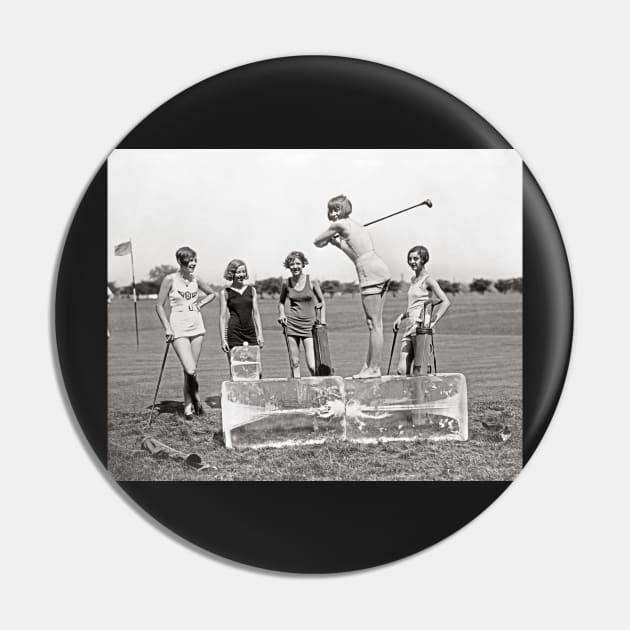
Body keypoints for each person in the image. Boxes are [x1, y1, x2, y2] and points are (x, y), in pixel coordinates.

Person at [314, 195, 391, 378]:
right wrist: (336, 243)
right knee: (374, 324)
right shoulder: (355, 225)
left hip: (369, 272)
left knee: (374, 324)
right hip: (379, 268)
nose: (333, 213)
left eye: (336, 209)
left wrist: (329, 238)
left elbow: (317, 242)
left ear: (343, 210)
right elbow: (353, 252)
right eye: (330, 209)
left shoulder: (338, 225)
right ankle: (369, 367)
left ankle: (374, 368)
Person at [156, 246, 217, 420]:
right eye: (189, 261)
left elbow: (212, 294)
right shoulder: (170, 279)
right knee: (190, 369)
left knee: (191, 370)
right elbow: (159, 305)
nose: (193, 264)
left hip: (197, 327)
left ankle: (189, 407)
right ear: (180, 262)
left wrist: (201, 304)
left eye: (194, 260)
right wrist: (167, 327)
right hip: (178, 329)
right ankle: (196, 399)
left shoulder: (197, 279)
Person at [392, 245, 450, 375]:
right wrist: (401, 317)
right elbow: (415, 306)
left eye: (416, 259)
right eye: (410, 259)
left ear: (423, 260)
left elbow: (445, 301)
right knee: (401, 371)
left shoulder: (428, 280)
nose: (412, 262)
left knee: (419, 371)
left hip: (420, 329)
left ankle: (420, 395)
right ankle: (410, 396)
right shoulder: (413, 280)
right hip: (409, 328)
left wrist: (433, 321)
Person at [278, 251, 326, 377]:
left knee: (312, 364)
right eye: (292, 264)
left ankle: (319, 390)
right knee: (295, 362)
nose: (295, 266)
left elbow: (322, 301)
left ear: (303, 264)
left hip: (309, 326)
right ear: (288, 266)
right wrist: (282, 314)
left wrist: (323, 320)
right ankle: (298, 394)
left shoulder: (312, 281)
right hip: (292, 325)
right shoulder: (286, 283)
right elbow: (281, 302)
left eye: (298, 263)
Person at [219, 259, 264, 354]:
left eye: (243, 271)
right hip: (233, 334)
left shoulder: (252, 290)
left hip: (251, 333)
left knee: (253, 366)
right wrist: (223, 340)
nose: (242, 274)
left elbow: (256, 313)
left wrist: (260, 334)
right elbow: (222, 318)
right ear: (231, 273)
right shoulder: (225, 293)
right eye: (238, 272)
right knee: (235, 366)